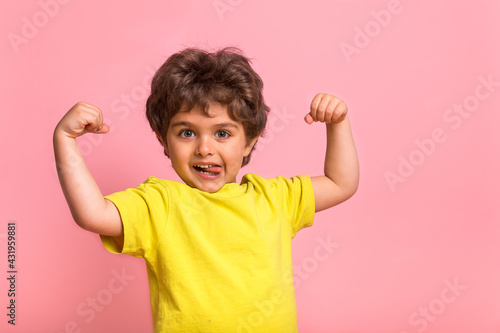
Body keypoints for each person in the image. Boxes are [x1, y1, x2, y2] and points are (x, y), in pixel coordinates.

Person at [53, 47, 359, 332]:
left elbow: (340, 183)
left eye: (222, 133)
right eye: (187, 132)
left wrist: (338, 123)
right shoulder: (160, 203)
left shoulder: (274, 198)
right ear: (164, 140)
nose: (204, 148)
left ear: (249, 141)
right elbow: (93, 214)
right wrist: (65, 140)